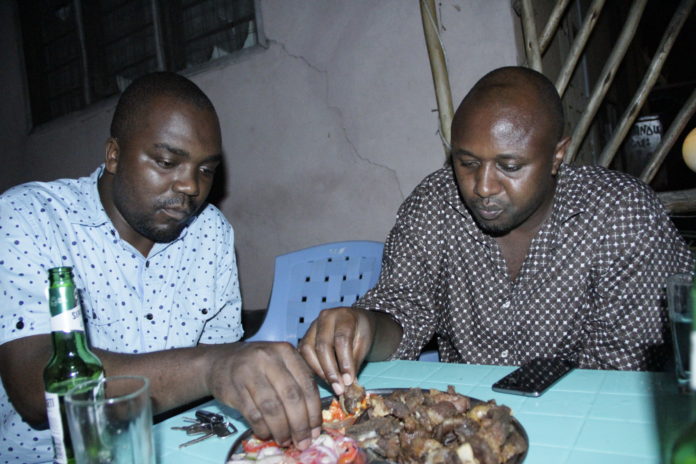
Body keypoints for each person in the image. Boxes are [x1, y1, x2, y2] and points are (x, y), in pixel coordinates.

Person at [299, 66, 695, 396]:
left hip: (584, 413)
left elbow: (620, 372)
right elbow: (403, 306)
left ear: (557, 155)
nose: (483, 187)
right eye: (467, 162)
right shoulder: (434, 206)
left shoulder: (619, 213)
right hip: (466, 423)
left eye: (509, 166)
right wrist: (365, 325)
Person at [0, 72, 321, 463]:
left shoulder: (210, 234)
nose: (190, 186)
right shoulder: (28, 218)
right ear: (114, 155)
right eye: (168, 162)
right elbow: (38, 389)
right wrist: (210, 368)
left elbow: (222, 358)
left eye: (206, 170)